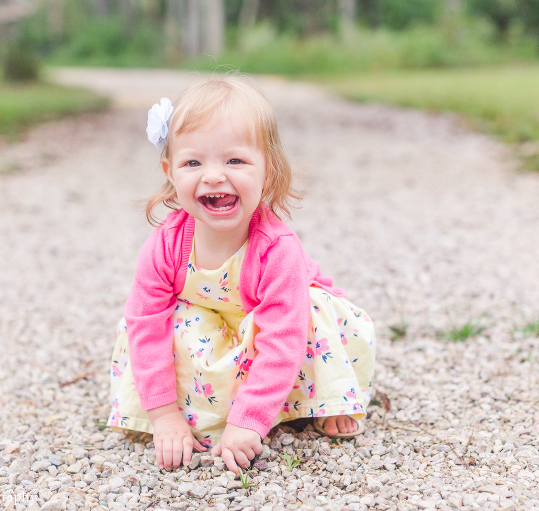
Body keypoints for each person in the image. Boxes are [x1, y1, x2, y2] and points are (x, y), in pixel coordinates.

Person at [108, 75, 376, 475]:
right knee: (153, 323)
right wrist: (164, 416)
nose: (213, 175)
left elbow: (282, 342)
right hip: (219, 327)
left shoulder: (275, 249)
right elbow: (145, 326)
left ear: (268, 171)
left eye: (234, 160)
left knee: (311, 313)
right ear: (170, 171)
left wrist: (246, 423)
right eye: (193, 162)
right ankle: (193, 408)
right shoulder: (165, 245)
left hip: (282, 330)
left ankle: (325, 397)